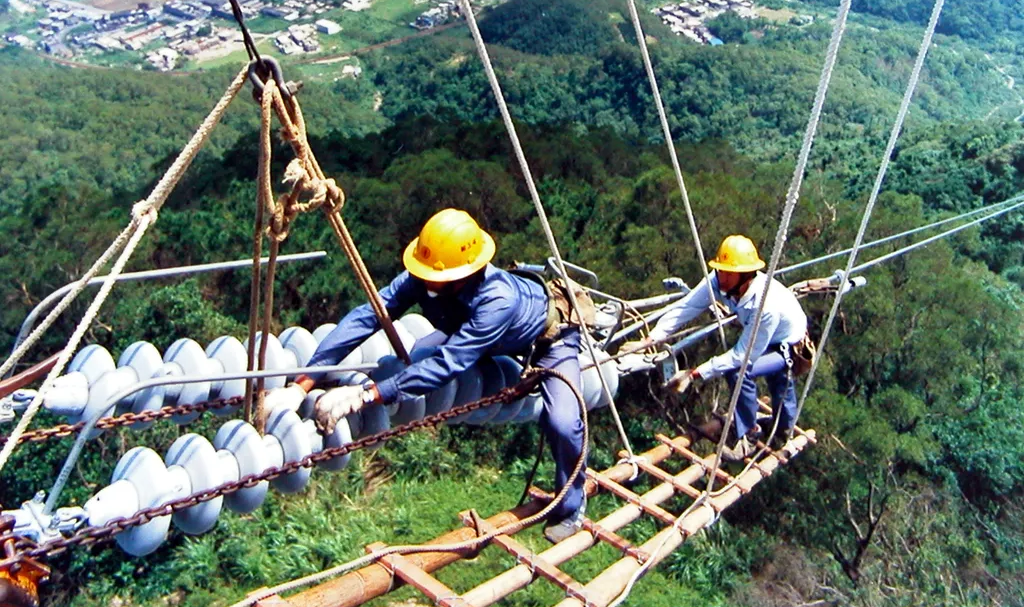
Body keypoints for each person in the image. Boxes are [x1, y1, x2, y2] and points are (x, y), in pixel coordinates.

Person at [264, 208, 589, 543]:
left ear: (465, 272)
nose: (425, 280)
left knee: (563, 422)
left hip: (548, 340)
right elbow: (369, 316)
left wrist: (365, 395)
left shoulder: (497, 301)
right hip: (469, 331)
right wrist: (303, 385)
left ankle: (572, 507)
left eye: (435, 275)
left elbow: (449, 362)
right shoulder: (425, 278)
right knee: (416, 355)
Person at [623, 234, 807, 460]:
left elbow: (742, 356)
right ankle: (774, 426)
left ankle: (752, 434)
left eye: (728, 273)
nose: (722, 277)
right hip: (764, 336)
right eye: (720, 271)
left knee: (742, 373)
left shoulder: (766, 306)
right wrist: (650, 339)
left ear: (746, 275)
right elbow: (686, 308)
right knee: (767, 380)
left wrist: (695, 373)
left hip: (786, 344)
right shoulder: (718, 280)